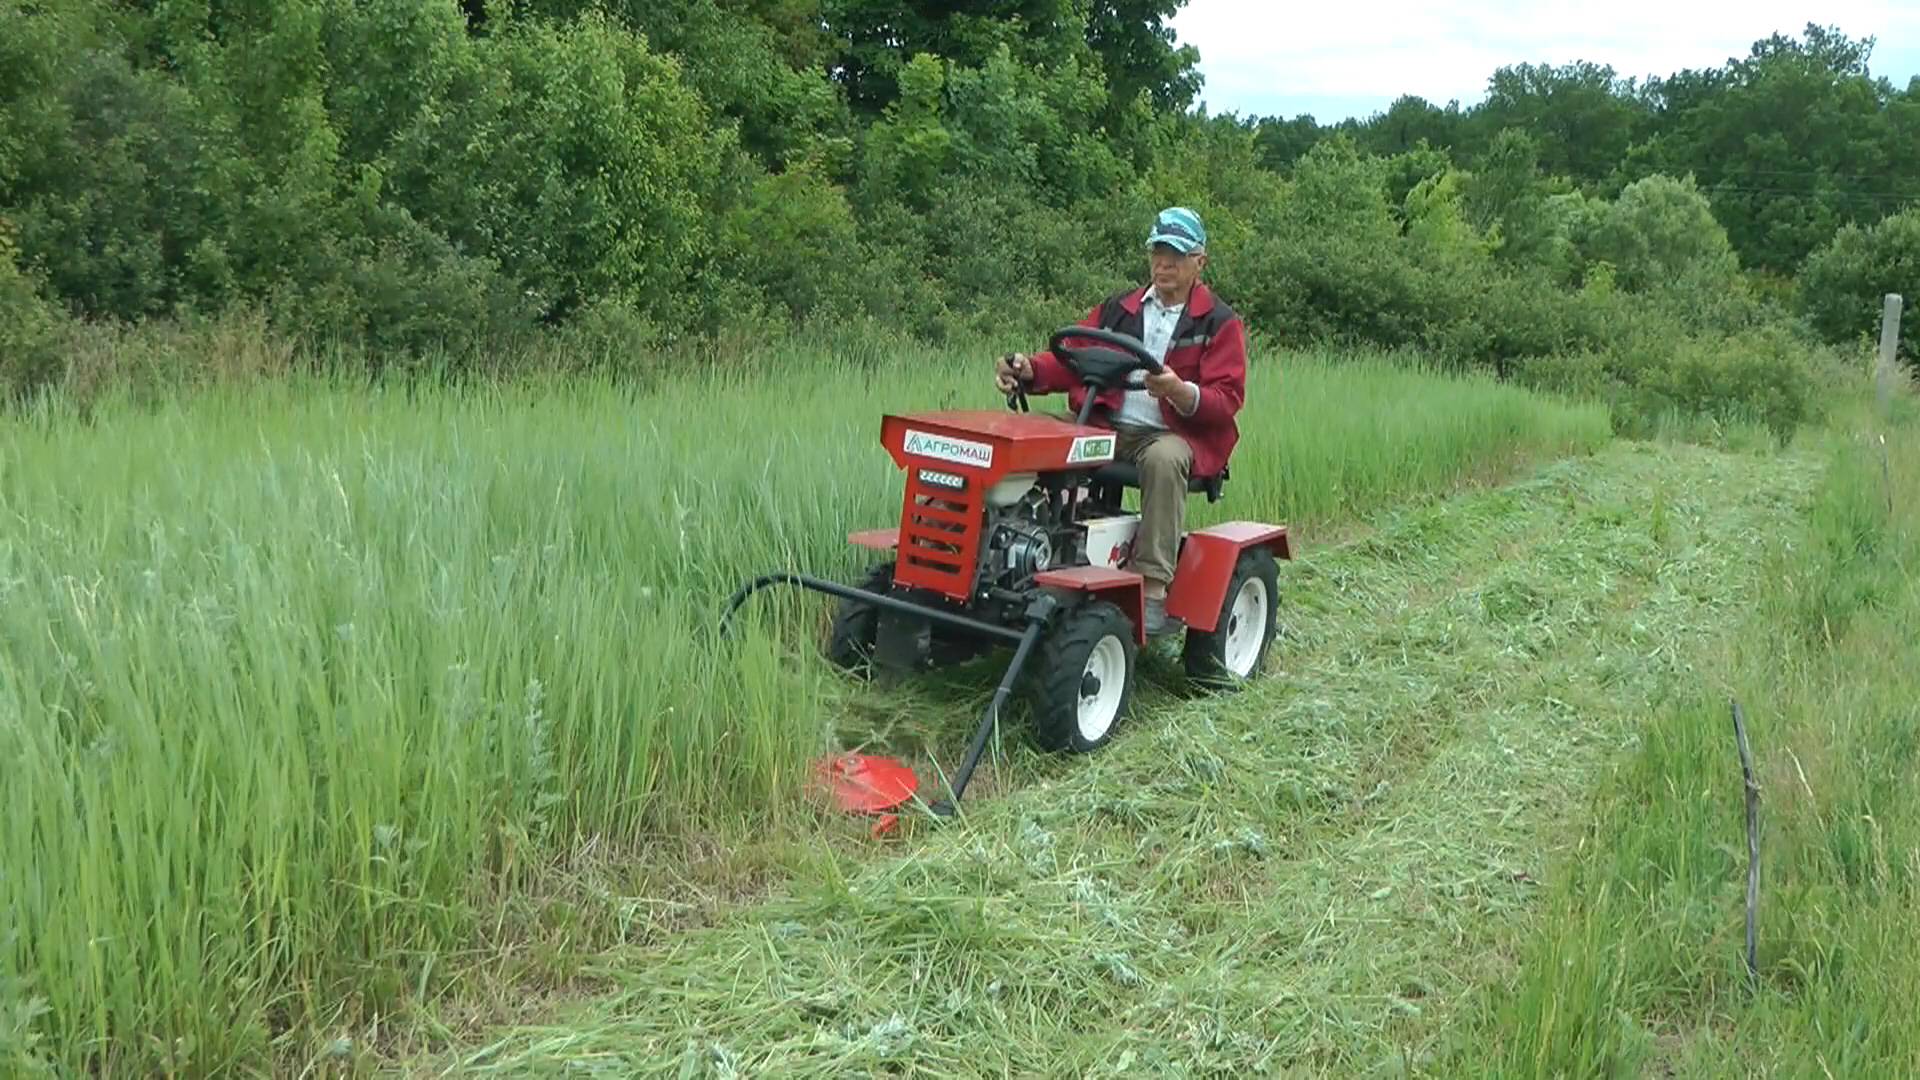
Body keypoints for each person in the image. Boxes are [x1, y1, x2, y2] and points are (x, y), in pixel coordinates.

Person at [994, 206, 1249, 637]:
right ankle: (1018, 552)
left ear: (1199, 262)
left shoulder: (1219, 323)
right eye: (1158, 252)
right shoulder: (1119, 309)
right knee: (1030, 436)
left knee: (1166, 460)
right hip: (1105, 425)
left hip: (1170, 433)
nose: (1164, 263)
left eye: (1176, 254)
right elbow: (1073, 356)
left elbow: (1226, 399)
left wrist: (1179, 390)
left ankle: (1152, 588)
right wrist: (1030, 371)